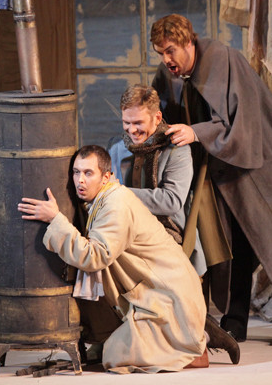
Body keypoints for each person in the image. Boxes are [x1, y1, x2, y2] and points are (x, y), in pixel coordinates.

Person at [150, 14, 272, 346]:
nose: (166, 59)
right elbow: (159, 110)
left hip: (267, 163)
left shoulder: (223, 60)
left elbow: (243, 123)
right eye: (161, 52)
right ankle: (234, 323)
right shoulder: (169, 74)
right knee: (235, 247)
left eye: (171, 50)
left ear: (189, 42)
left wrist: (196, 132)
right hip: (227, 169)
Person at [17, 145, 209, 373]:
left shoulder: (116, 204)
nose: (80, 180)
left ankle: (193, 347)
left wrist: (55, 219)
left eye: (88, 173)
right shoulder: (104, 199)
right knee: (104, 351)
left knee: (115, 354)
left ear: (106, 177)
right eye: (76, 172)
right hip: (156, 291)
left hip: (169, 297)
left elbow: (94, 256)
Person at [108, 83, 240, 363]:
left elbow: (171, 201)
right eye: (126, 123)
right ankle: (117, 336)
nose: (131, 130)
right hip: (130, 229)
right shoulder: (118, 150)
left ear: (157, 117)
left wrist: (120, 193)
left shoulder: (176, 149)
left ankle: (198, 334)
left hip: (170, 232)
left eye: (138, 123)